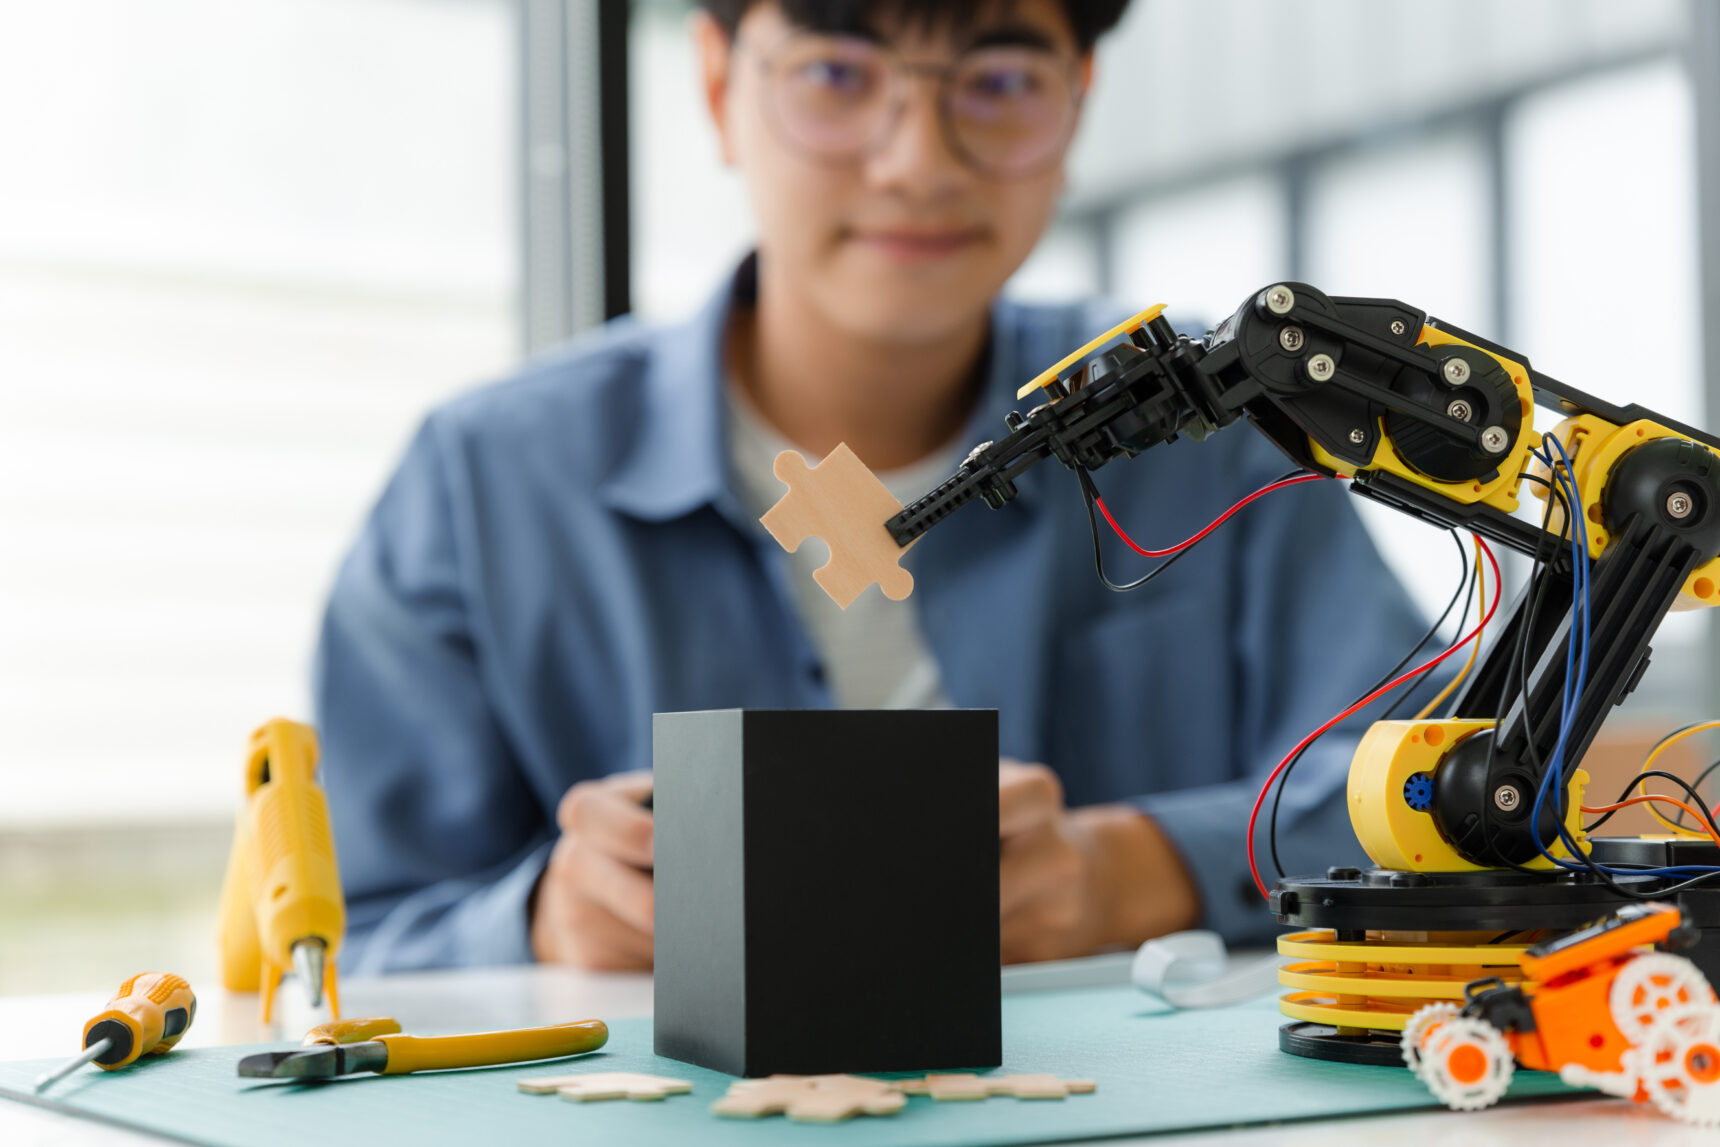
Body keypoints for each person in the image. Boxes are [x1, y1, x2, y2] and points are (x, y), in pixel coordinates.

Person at [315, 0, 1428, 974]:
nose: (916, 162)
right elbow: (342, 944)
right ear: (714, 83)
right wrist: (546, 918)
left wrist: (1134, 869)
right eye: (837, 75)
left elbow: (1443, 783)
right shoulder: (483, 481)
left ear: (1077, 102)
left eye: (998, 82)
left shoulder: (1208, 413)